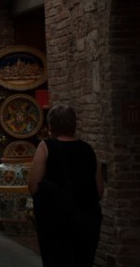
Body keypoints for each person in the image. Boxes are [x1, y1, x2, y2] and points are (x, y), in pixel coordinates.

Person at [28, 105, 103, 266]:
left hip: (55, 220)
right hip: (87, 219)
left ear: (51, 126)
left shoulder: (46, 147)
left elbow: (33, 185)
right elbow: (99, 190)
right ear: (74, 124)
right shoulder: (88, 149)